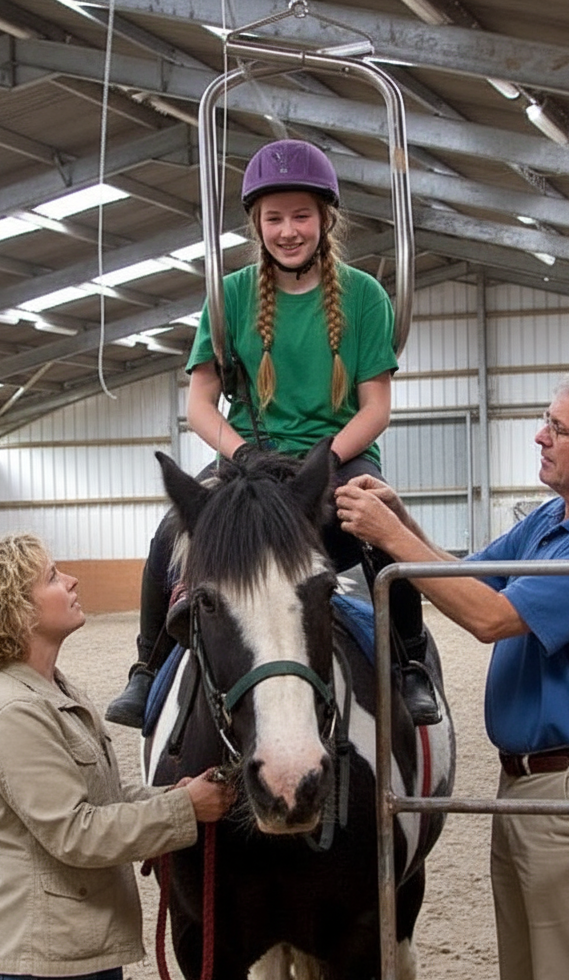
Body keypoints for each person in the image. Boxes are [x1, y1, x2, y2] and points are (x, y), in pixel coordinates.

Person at [334, 365, 569, 980]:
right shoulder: (553, 520)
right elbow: (467, 577)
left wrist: (389, 537)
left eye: (556, 426)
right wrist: (400, 517)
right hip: (526, 789)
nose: (539, 435)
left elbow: (490, 618)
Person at [104, 137, 439, 729]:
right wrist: (244, 453)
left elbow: (375, 408)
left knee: (386, 528)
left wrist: (321, 462)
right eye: (274, 217)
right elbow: (201, 403)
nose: (289, 230)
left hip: (338, 457)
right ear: (256, 224)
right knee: (168, 535)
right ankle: (147, 667)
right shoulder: (228, 295)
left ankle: (411, 660)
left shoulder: (363, 296)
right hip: (248, 458)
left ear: (325, 219)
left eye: (301, 216)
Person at [0, 532, 235, 980]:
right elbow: (76, 833)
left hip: (79, 948)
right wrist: (185, 810)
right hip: (46, 961)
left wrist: (172, 794)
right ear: (16, 611)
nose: (71, 581)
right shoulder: (14, 711)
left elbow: (105, 796)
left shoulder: (53, 691)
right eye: (53, 577)